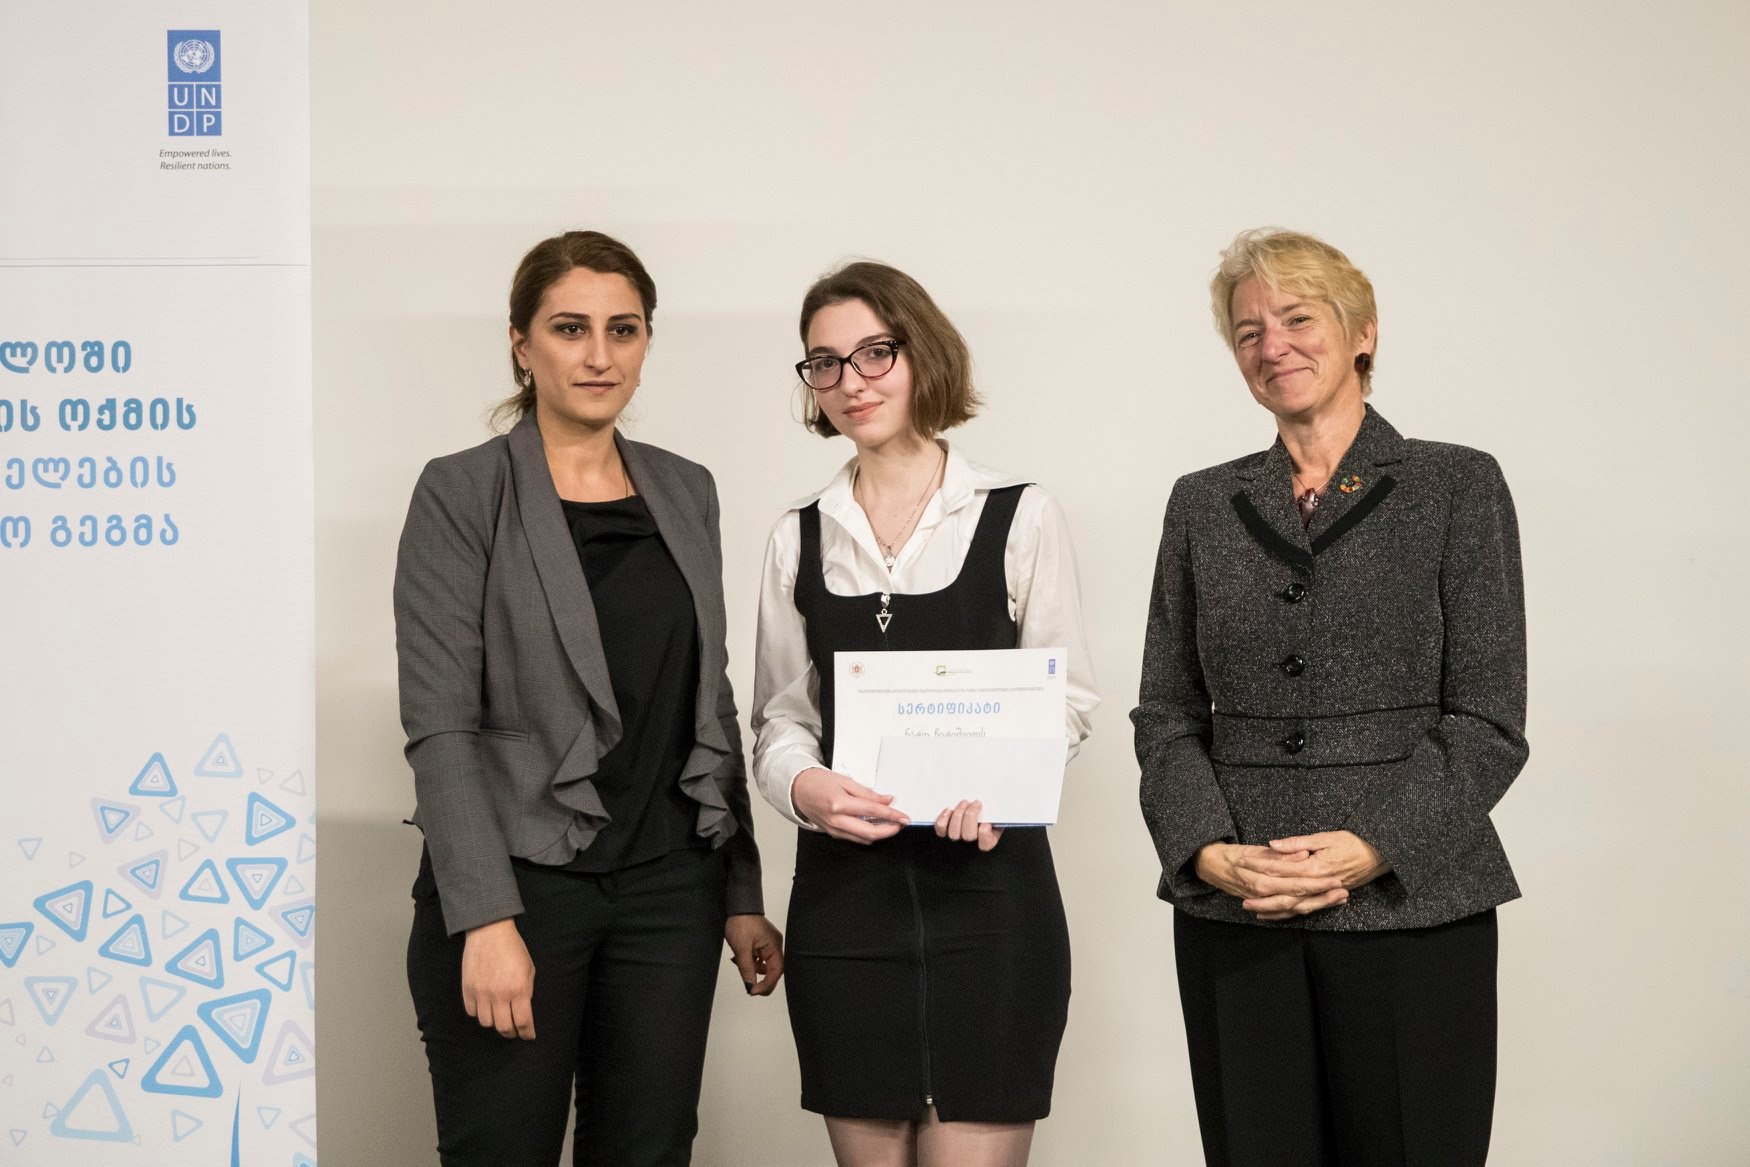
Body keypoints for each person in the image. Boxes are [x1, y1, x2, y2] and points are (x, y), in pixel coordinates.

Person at [1134, 227, 1529, 1166]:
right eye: (1248, 332)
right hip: (1239, 909)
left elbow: (1489, 718)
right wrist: (1205, 852)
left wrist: (1373, 845)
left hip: (1411, 904)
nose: (1272, 346)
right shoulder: (1201, 502)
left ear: (1363, 333)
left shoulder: (1456, 483)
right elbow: (1167, 710)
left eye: (1297, 319)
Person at [394, 229, 784, 1166]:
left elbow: (709, 698)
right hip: (519, 885)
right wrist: (483, 919)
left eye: (624, 329)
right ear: (521, 343)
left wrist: (740, 890)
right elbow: (441, 725)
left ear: (647, 341)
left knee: (650, 1151)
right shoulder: (461, 491)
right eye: (570, 328)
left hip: (670, 889)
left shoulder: (686, 488)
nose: (599, 354)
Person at [752, 261, 1098, 1167]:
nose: (851, 381)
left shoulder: (1019, 515)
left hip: (992, 905)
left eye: (876, 352)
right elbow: (780, 717)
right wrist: (804, 786)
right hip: (845, 910)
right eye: (825, 363)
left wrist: (1001, 783)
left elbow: (1067, 699)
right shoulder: (798, 534)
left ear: (923, 353)